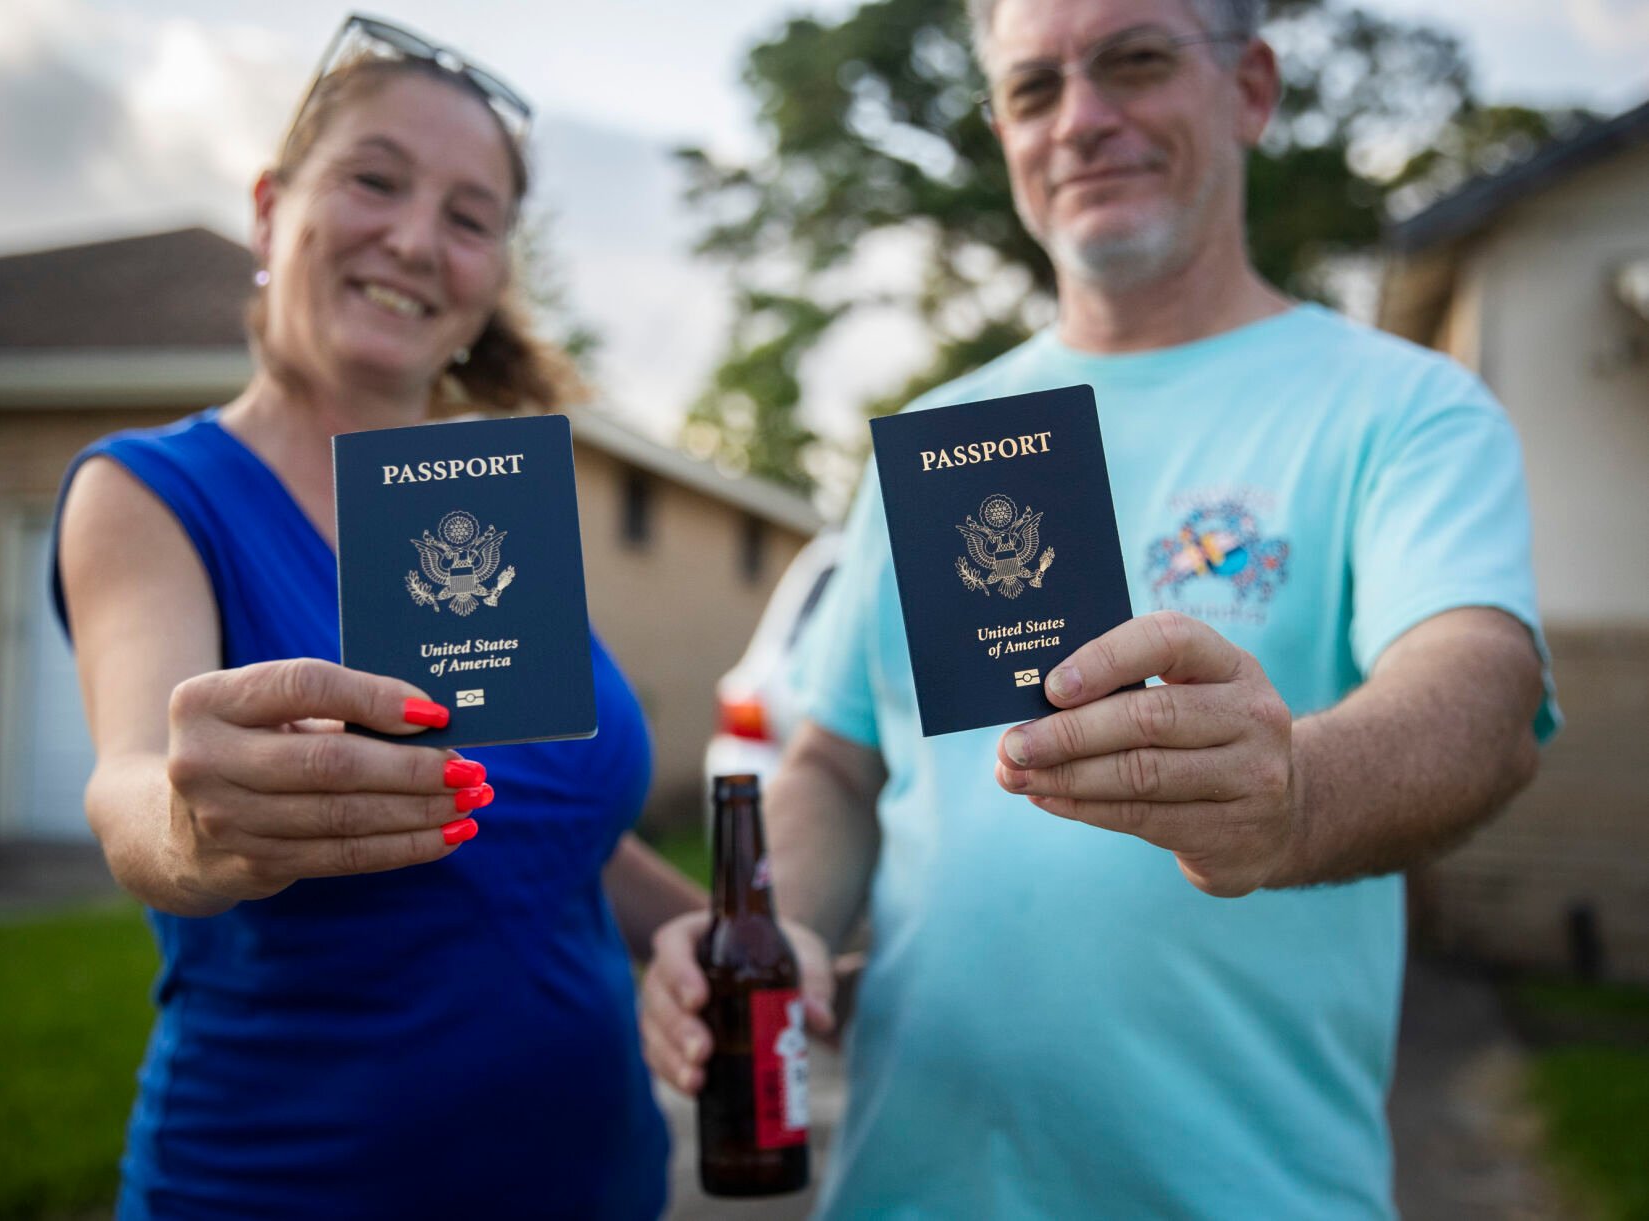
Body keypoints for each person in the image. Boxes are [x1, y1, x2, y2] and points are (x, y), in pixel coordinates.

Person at [640, 0, 1560, 1216]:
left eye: (1134, 60)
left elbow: (1481, 695)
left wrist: (1293, 796)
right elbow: (839, 759)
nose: (1081, 120)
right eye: (1032, 88)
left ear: (1252, 87)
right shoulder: (933, 438)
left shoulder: (1401, 410)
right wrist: (780, 926)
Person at [52, 16, 702, 1219]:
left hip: (601, 1185)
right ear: (268, 209)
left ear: (493, 274)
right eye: (375, 179)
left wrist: (724, 939)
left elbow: (549, 829)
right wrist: (192, 826)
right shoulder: (149, 492)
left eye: (468, 217)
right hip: (283, 1187)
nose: (414, 238)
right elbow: (135, 785)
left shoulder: (488, 510)